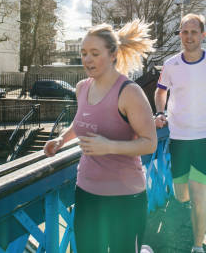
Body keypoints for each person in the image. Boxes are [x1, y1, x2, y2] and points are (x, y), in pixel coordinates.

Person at [44, 20, 157, 253]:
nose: (87, 59)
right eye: (84, 53)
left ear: (113, 54)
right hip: (86, 192)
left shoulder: (129, 92)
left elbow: (150, 143)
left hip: (124, 196)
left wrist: (109, 146)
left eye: (95, 53)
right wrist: (61, 139)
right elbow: (82, 122)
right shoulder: (82, 87)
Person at [154, 13, 206, 253]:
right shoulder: (171, 64)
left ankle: (197, 246)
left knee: (198, 194)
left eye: (194, 32)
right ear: (179, 34)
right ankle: (193, 220)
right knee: (182, 195)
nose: (189, 36)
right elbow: (161, 92)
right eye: (184, 31)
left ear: (203, 35)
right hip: (179, 139)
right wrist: (160, 112)